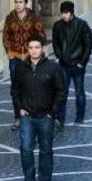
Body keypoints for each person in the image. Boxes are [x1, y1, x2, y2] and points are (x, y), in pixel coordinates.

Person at [12, 34, 65, 181]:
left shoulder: (53, 67)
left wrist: (52, 112)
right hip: (27, 116)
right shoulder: (21, 68)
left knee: (46, 150)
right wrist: (20, 108)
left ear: (43, 48)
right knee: (26, 150)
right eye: (31, 47)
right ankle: (29, 179)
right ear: (27, 49)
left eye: (37, 47)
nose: (34, 50)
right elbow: (15, 90)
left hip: (46, 116)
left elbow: (61, 91)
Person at [3, 0, 45, 131]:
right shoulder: (10, 18)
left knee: (32, 86)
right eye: (16, 2)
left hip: (29, 58)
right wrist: (9, 52)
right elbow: (5, 36)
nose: (18, 5)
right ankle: (18, 117)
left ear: (26, 3)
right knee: (15, 88)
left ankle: (32, 114)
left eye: (20, 2)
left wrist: (35, 52)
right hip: (15, 58)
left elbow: (41, 35)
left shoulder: (34, 18)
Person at [52, 1, 92, 128]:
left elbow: (88, 45)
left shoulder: (81, 25)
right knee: (62, 93)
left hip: (77, 65)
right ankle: (60, 119)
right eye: (62, 13)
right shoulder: (57, 26)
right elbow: (55, 42)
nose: (64, 15)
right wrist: (60, 56)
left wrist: (82, 62)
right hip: (64, 64)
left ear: (71, 13)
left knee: (79, 92)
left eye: (66, 13)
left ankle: (80, 117)